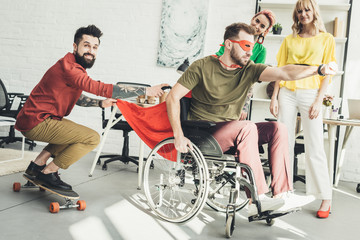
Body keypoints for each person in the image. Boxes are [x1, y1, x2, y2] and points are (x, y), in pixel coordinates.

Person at [166, 22, 337, 218]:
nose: (250, 52)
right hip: (204, 132)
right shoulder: (202, 66)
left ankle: (282, 193)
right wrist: (178, 135)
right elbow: (172, 97)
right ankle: (258, 200)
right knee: (246, 127)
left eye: (252, 47)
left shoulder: (249, 69)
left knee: (277, 128)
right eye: (246, 46)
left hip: (233, 132)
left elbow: (284, 72)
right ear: (229, 44)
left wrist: (319, 70)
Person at [15, 25, 167, 191]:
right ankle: (48, 172)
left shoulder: (71, 66)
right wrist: (147, 91)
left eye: (95, 47)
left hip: (36, 119)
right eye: (86, 45)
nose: (91, 51)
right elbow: (99, 88)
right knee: (91, 138)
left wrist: (101, 103)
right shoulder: (70, 69)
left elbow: (78, 98)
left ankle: (36, 166)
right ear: (75, 47)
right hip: (36, 122)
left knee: (71, 132)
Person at [270, 0, 336, 218]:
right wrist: (274, 97)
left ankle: (325, 196)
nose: (303, 14)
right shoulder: (289, 40)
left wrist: (318, 100)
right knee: (283, 142)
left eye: (307, 10)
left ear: (314, 11)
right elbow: (280, 70)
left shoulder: (327, 39)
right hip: (287, 92)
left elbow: (327, 72)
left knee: (315, 144)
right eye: (299, 11)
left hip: (311, 93)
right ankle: (283, 190)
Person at [215, 9, 276, 120]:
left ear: (265, 31)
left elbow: (253, 78)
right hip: (220, 82)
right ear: (252, 19)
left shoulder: (261, 50)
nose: (257, 26)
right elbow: (218, 58)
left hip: (239, 91)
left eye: (262, 26)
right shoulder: (233, 36)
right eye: (257, 21)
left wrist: (245, 106)